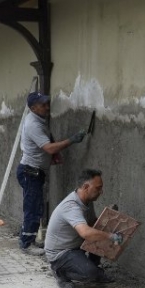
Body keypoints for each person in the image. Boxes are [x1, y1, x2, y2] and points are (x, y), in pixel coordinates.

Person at [17, 91, 87, 256]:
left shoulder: (38, 120)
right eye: (43, 105)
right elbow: (47, 147)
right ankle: (26, 244)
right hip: (30, 171)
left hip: (34, 171)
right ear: (33, 107)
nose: (47, 107)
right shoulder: (33, 124)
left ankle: (29, 239)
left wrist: (53, 156)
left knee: (35, 206)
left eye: (47, 103)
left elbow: (47, 145)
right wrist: (72, 140)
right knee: (33, 208)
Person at [44, 169, 123, 288]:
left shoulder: (87, 201)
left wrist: (109, 221)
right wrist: (110, 236)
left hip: (75, 248)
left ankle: (95, 268)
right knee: (90, 274)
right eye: (98, 188)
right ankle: (60, 272)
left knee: (99, 233)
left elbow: (93, 224)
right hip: (61, 254)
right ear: (86, 187)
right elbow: (86, 233)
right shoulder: (71, 206)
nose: (101, 192)